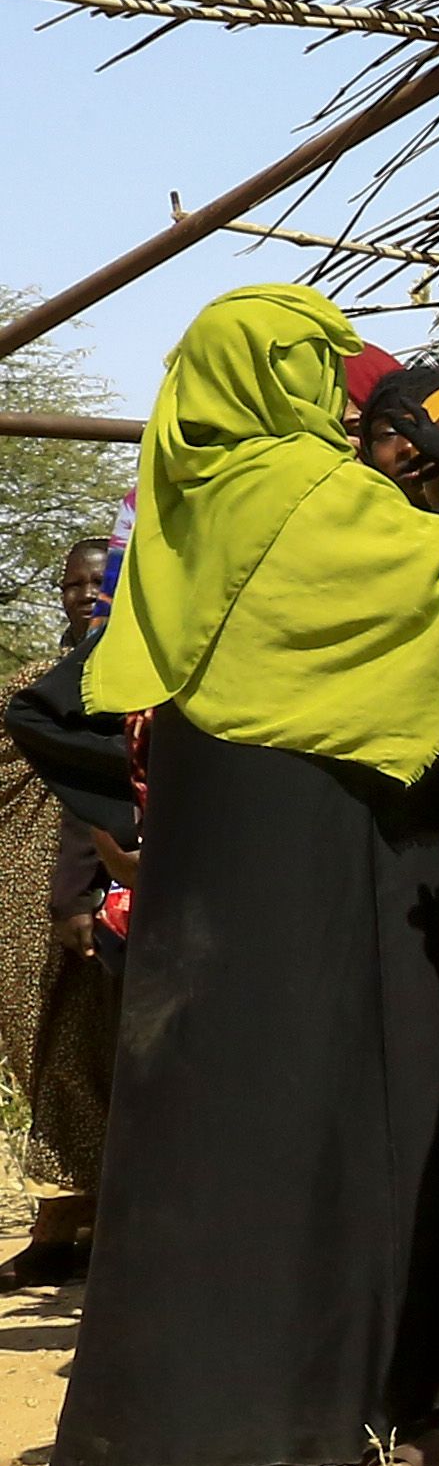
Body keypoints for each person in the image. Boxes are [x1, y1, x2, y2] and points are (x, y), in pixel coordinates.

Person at [55, 286, 439, 1466]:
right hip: (343, 833)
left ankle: (174, 1415)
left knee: (213, 1109)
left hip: (218, 846)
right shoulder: (311, 492)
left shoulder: (182, 495)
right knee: (354, 1097)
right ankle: (336, 1400)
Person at [9, 523, 137, 1289]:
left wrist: (75, 895)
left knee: (74, 1051)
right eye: (71, 584)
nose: (85, 595)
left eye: (98, 582)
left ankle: (68, 1223)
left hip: (79, 895)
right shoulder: (40, 677)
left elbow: (97, 798)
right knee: (40, 1051)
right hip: (21, 898)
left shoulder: (114, 678)